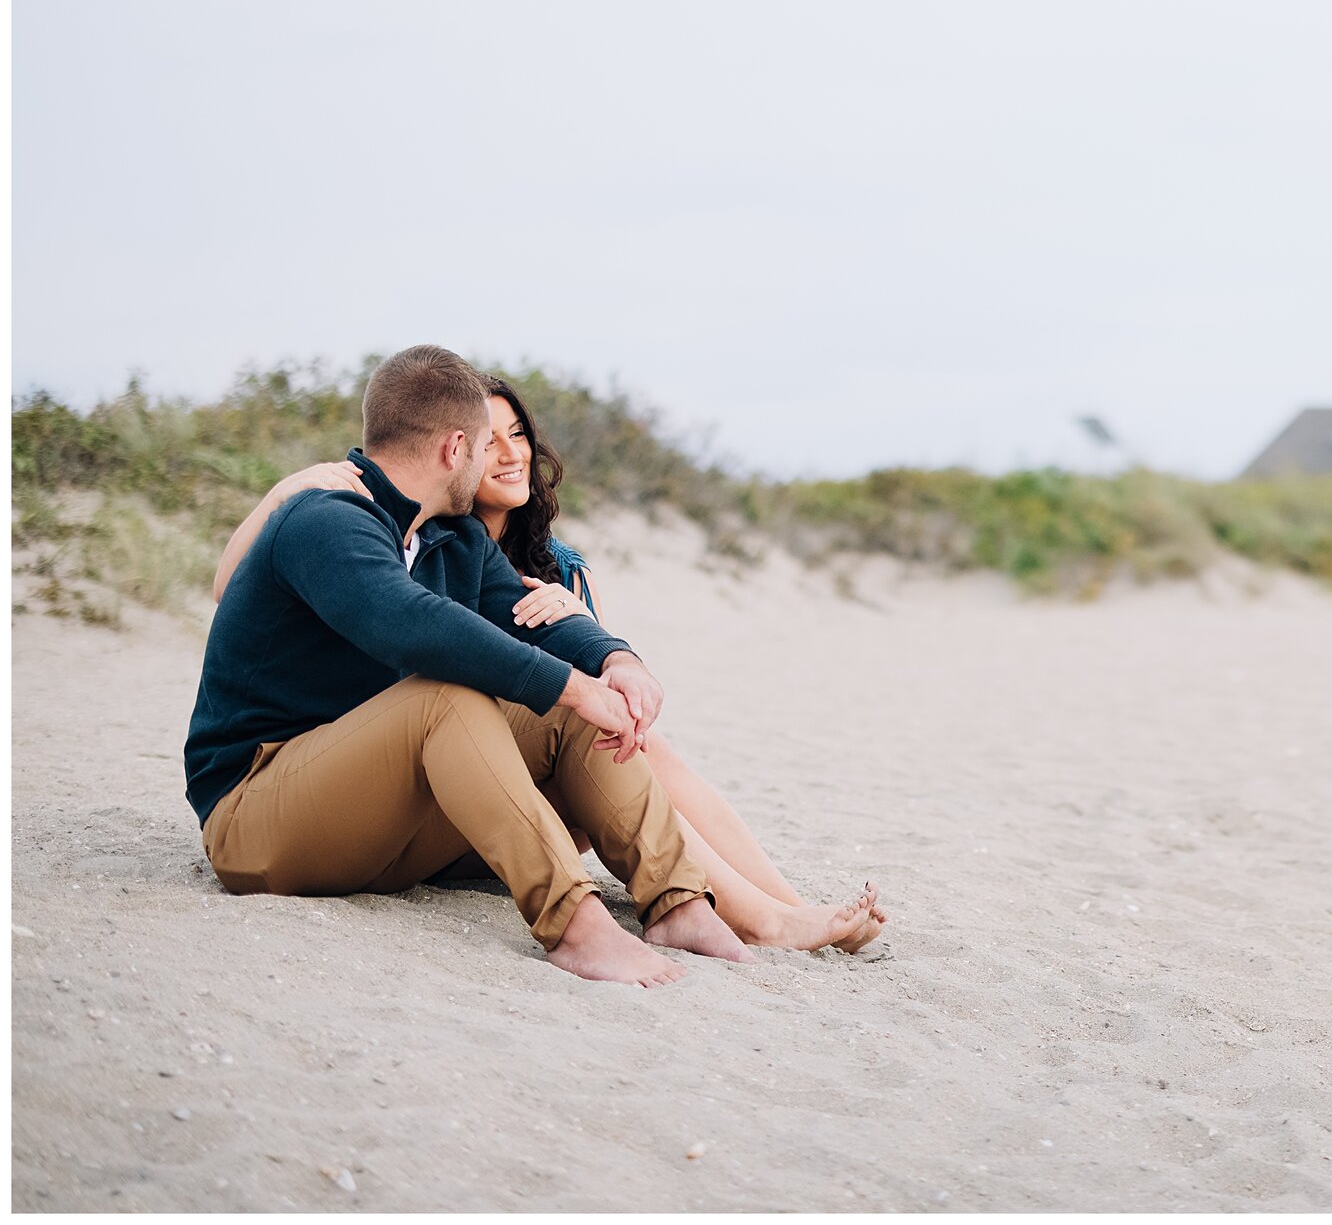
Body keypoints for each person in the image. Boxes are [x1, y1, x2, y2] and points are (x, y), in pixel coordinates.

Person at [213, 375, 884, 954]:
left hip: (432, 794)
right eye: (486, 439)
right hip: (333, 787)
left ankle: (772, 906)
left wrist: (614, 656)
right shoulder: (343, 524)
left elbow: (550, 639)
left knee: (636, 739)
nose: (502, 454)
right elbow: (411, 626)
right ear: (455, 449)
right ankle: (763, 918)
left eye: (514, 436)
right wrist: (287, 490)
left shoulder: (484, 548)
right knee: (525, 705)